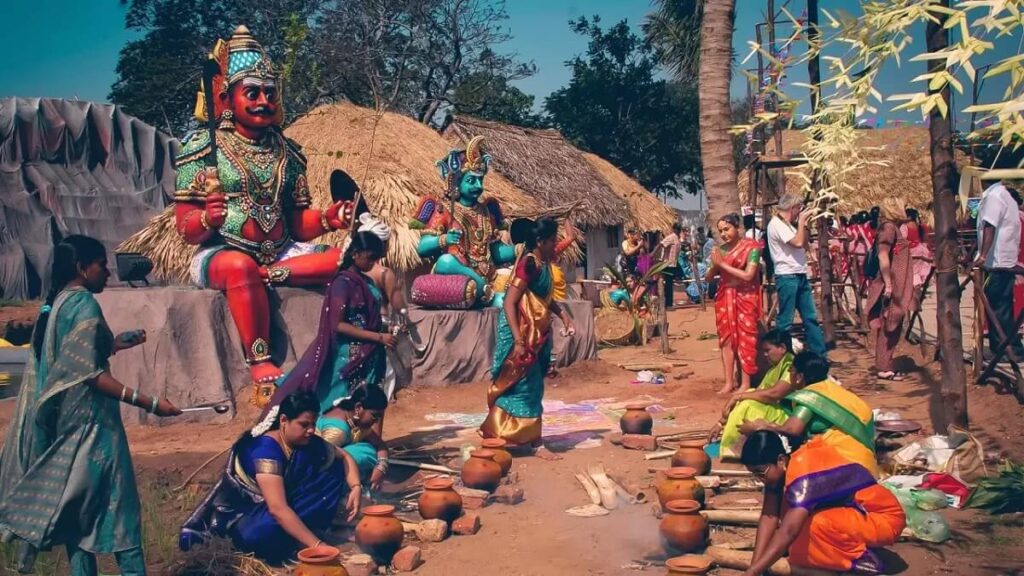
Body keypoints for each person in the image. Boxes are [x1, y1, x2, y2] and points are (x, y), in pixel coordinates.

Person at [171, 26, 354, 406]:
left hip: (282, 253)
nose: (263, 101)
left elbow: (297, 223)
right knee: (241, 268)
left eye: (270, 93)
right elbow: (185, 228)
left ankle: (267, 275)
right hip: (222, 251)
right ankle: (260, 361)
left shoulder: (289, 153)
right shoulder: (202, 148)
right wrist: (207, 220)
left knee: (345, 259)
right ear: (227, 98)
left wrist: (328, 219)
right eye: (252, 93)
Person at [0, 235, 182, 576]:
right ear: (82, 268)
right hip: (94, 426)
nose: (108, 273)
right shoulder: (84, 305)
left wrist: (115, 343)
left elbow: (70, 359)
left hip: (66, 426)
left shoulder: (58, 304)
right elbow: (90, 375)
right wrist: (149, 402)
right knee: (122, 510)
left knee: (78, 517)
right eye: (102, 265)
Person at [180, 391, 362, 565]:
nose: (311, 430)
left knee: (333, 471)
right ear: (283, 420)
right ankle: (300, 537)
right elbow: (277, 509)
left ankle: (302, 533)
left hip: (283, 504)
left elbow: (345, 456)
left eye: (313, 424)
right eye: (304, 425)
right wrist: (317, 546)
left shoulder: (306, 443)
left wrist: (356, 487)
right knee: (258, 535)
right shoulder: (266, 451)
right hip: (248, 513)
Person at [266, 231, 392, 465]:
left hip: (369, 355)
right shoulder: (342, 284)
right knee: (337, 402)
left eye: (376, 259)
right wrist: (377, 336)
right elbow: (338, 324)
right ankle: (316, 457)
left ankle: (372, 450)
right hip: (347, 359)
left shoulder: (366, 282)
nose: (373, 263)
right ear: (355, 254)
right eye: (370, 257)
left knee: (372, 404)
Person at [739, 431, 904, 575]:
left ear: (781, 460)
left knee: (813, 525)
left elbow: (788, 532)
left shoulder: (803, 472)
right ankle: (846, 549)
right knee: (790, 515)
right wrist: (754, 567)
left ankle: (859, 560)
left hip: (883, 519)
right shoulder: (780, 473)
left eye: (761, 473)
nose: (759, 479)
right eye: (754, 474)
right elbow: (769, 517)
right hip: (852, 515)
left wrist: (753, 572)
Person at [480, 218, 576, 460]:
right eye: (552, 240)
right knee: (523, 384)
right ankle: (532, 442)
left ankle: (505, 435)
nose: (555, 244)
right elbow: (510, 302)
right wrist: (518, 341)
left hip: (536, 332)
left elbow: (543, 298)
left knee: (530, 385)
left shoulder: (544, 262)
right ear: (541, 242)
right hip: (520, 332)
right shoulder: (528, 264)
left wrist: (563, 315)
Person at [739, 352, 878, 476]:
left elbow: (791, 430)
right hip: (866, 463)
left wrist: (759, 428)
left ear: (799, 377)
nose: (789, 373)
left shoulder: (811, 397)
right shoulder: (833, 390)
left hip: (844, 462)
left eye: (791, 370)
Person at [710, 329, 794, 459]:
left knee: (749, 403)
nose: (765, 355)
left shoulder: (791, 366)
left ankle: (739, 447)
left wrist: (738, 396)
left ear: (782, 348)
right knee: (749, 397)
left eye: (768, 350)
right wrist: (720, 423)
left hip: (788, 416)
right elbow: (758, 393)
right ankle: (739, 445)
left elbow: (775, 393)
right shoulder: (774, 369)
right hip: (775, 410)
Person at [766, 193, 827, 358]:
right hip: (787, 276)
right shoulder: (776, 225)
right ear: (792, 208)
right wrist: (801, 222)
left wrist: (805, 225)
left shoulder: (789, 226)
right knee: (785, 320)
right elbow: (798, 243)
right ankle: (781, 356)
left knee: (810, 318)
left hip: (799, 274)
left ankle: (819, 356)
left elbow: (804, 242)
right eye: (799, 209)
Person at [708, 213, 763, 394]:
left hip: (746, 297)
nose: (724, 234)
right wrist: (715, 265)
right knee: (726, 340)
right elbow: (708, 278)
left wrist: (722, 265)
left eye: (727, 229)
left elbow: (749, 275)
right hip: (725, 297)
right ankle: (728, 382)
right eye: (721, 231)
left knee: (746, 338)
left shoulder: (752, 247)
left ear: (737, 228)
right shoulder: (720, 250)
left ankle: (745, 383)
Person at [973, 178, 1023, 358]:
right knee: (998, 307)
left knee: (998, 308)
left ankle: (1009, 349)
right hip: (1000, 260)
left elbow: (989, 226)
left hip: (997, 262)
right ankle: (1001, 347)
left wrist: (983, 255)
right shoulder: (1001, 195)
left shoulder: (995, 196)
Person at [866, 197, 914, 381]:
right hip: (891, 283)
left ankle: (885, 364)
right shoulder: (888, 228)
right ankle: (884, 367)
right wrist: (889, 283)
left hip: (896, 282)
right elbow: (883, 255)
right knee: (890, 322)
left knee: (892, 323)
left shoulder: (893, 228)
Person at [659, 223, 684, 308]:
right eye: (677, 229)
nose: (678, 230)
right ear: (674, 229)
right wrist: (652, 254)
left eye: (679, 229)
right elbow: (661, 244)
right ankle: (668, 304)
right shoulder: (671, 237)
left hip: (674, 264)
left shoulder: (677, 238)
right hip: (668, 265)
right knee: (668, 284)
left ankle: (669, 303)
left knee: (680, 277)